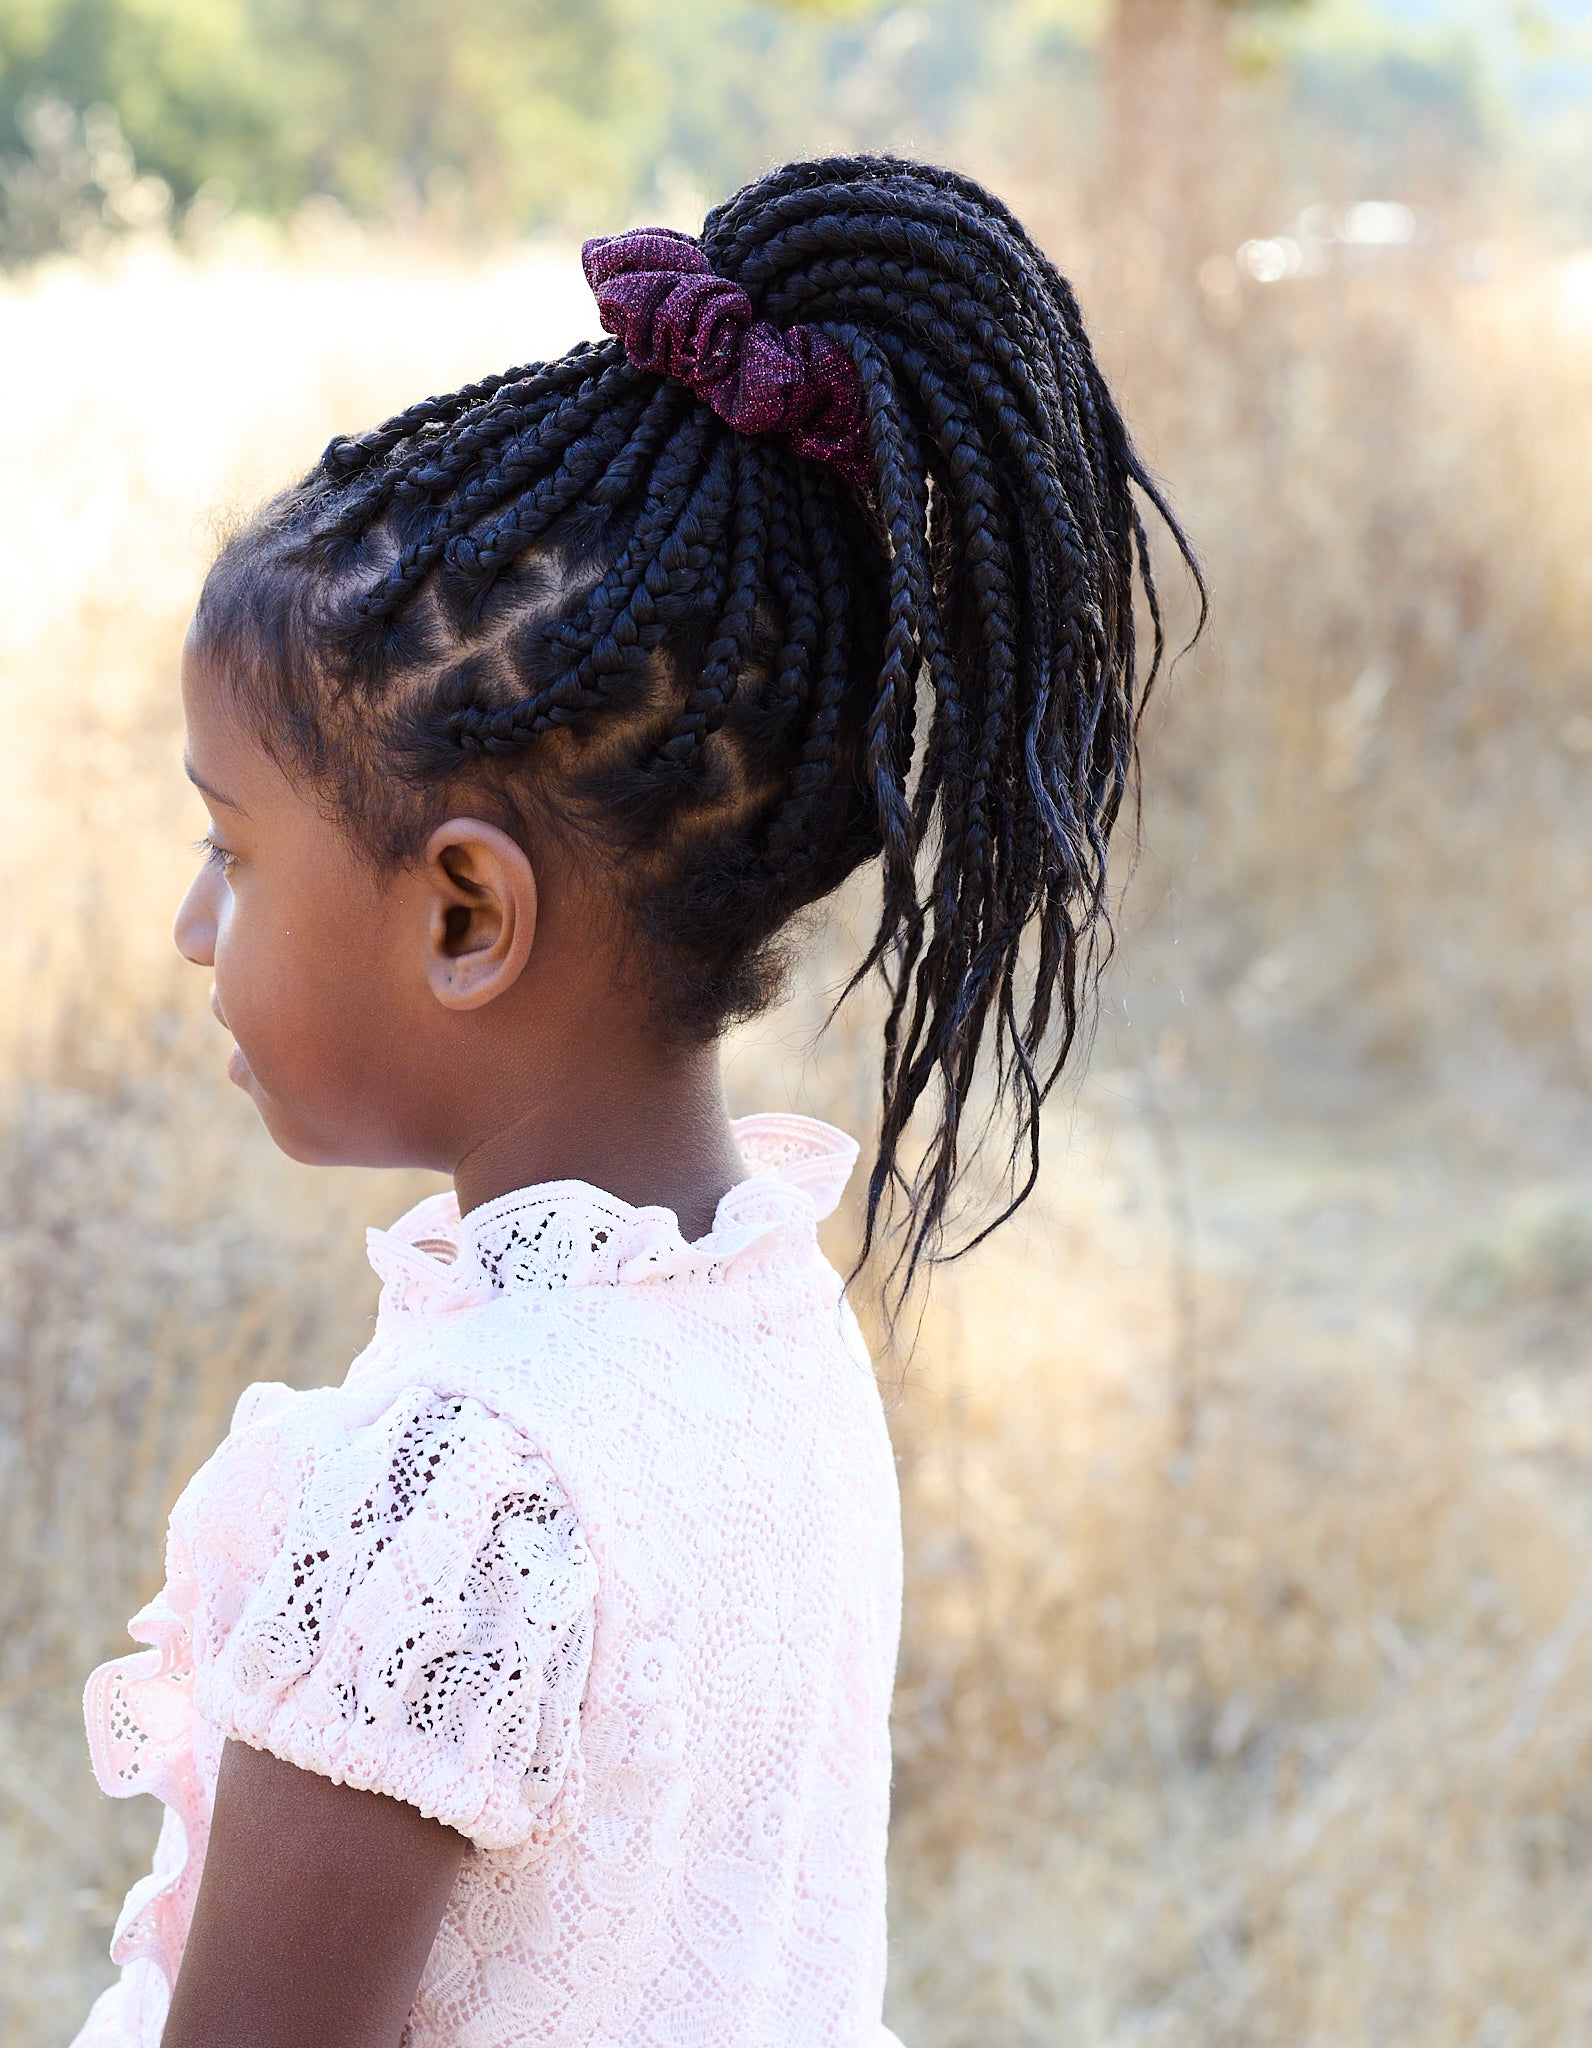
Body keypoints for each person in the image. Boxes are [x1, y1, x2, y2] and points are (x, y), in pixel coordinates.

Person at [68, 153, 1197, 2048]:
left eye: (232, 852)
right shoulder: (757, 1327)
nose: (194, 931)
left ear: (463, 912)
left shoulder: (459, 1494)